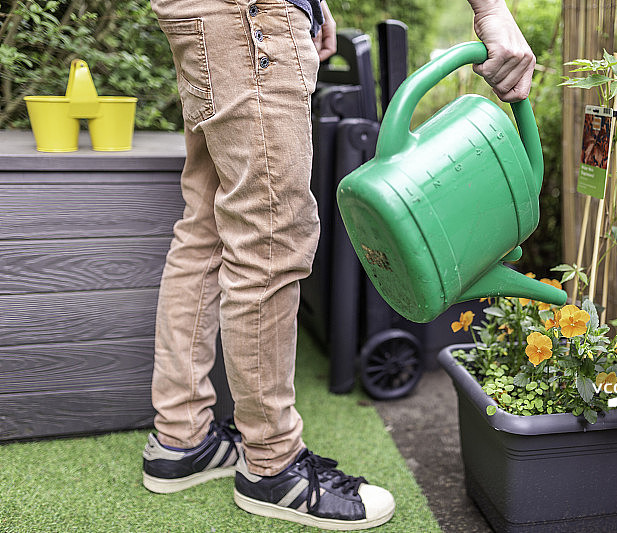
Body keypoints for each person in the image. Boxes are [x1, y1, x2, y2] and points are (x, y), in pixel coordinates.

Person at [141, 0, 535, 529]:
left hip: (212, 15)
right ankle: (272, 466)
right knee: (271, 238)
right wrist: (490, 10)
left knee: (208, 227)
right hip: (251, 19)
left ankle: (181, 438)